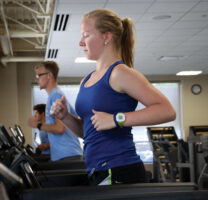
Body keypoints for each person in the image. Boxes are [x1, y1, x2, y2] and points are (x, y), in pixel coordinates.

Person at [50, 9, 176, 185]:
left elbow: (167, 110)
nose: (80, 42)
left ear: (106, 37)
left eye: (86, 35)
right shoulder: (86, 80)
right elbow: (88, 132)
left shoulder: (119, 73)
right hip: (97, 170)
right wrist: (65, 117)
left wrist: (117, 119)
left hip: (120, 170)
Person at [32, 61, 83, 162]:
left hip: (68, 155)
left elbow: (60, 128)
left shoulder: (56, 96)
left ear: (49, 76)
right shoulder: (53, 95)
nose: (36, 79)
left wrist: (38, 125)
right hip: (63, 155)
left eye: (39, 75)